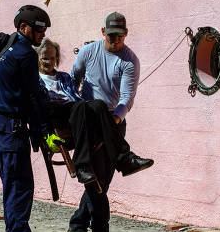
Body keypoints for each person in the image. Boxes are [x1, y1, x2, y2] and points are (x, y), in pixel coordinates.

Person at [66, 12, 150, 232]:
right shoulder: (88, 52)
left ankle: (78, 225)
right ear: (103, 32)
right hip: (88, 121)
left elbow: (127, 99)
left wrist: (111, 122)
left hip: (113, 120)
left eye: (120, 36)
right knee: (97, 181)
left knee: (100, 180)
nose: (116, 39)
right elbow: (73, 82)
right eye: (112, 35)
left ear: (126, 34)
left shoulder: (129, 60)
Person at [0, 5, 65, 232]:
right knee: (19, 186)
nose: (43, 35)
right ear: (24, 28)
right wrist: (46, 133)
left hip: (1, 125)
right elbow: (33, 98)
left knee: (15, 185)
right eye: (39, 29)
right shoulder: (25, 55)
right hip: (11, 127)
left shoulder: (6, 46)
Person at [36, 38, 153, 188]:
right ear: (37, 58)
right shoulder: (36, 80)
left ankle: (124, 158)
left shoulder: (64, 77)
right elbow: (38, 107)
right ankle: (83, 165)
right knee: (81, 107)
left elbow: (76, 96)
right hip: (56, 116)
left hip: (76, 112)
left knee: (98, 105)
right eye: (45, 57)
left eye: (52, 58)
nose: (49, 61)